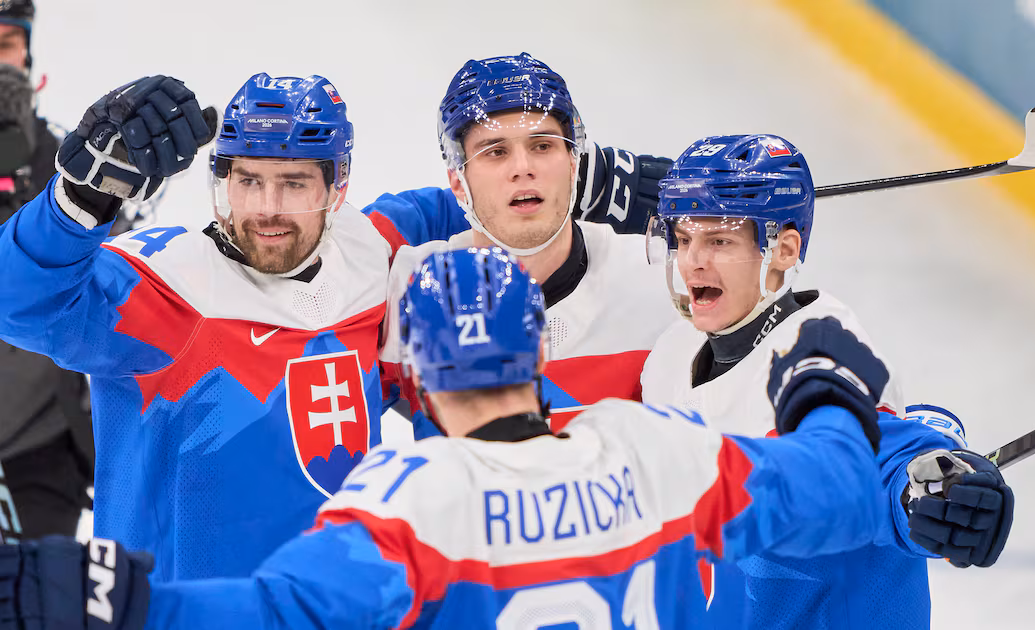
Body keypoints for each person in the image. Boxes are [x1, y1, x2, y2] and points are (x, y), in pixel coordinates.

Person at [0, 246, 901, 630]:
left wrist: (111, 603)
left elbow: (276, 616)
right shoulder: (656, 451)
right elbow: (834, 486)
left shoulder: (411, 499)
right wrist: (828, 392)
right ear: (540, 348)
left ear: (417, 375)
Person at [0, 72, 399, 580]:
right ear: (223, 178)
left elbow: (471, 211)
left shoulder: (369, 255)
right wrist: (82, 198)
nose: (267, 209)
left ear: (336, 185)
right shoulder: (168, 285)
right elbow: (17, 302)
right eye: (248, 180)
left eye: (294, 183)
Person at [640, 133, 1015, 629]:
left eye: (720, 240)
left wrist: (918, 495)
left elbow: (876, 457)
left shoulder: (824, 359)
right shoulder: (671, 355)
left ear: (784, 249)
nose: (693, 262)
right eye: (685, 239)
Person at [373, 53, 678, 436]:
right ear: (457, 183)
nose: (522, 168)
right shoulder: (404, 290)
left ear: (573, 164)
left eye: (542, 146)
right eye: (495, 152)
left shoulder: (659, 282)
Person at [0, 0, 100, 541]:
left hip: (42, 448)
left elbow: (112, 266)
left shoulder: (67, 162)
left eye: (3, 45)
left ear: (27, 56)